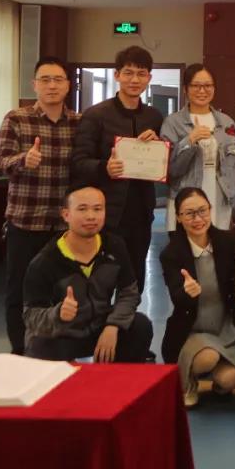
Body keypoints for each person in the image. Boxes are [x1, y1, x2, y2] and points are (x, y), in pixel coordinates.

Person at [0, 56, 81, 355]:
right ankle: (20, 352)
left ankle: (55, 350)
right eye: (45, 79)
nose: (52, 85)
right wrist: (24, 160)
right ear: (34, 84)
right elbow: (1, 161)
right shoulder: (16, 119)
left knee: (62, 291)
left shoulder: (78, 123)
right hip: (25, 222)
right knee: (19, 291)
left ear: (68, 85)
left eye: (58, 79)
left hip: (63, 227)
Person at [70, 46, 164, 294]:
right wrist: (104, 168)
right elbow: (78, 162)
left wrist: (158, 148)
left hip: (142, 212)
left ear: (149, 78)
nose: (134, 80)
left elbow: (163, 162)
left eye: (141, 74)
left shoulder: (154, 117)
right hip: (106, 214)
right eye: (128, 73)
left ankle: (129, 319)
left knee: (135, 280)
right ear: (117, 75)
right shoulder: (96, 115)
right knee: (101, 282)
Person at [22, 186, 152, 362]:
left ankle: (118, 377)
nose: (91, 216)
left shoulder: (114, 246)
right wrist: (58, 314)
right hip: (61, 333)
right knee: (40, 345)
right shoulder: (45, 261)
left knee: (140, 326)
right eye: (82, 209)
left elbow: (129, 293)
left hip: (99, 327)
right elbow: (31, 316)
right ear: (66, 214)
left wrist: (113, 325)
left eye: (97, 209)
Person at [160, 187, 235, 407]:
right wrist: (186, 293)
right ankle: (186, 382)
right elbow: (177, 298)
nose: (197, 219)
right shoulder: (171, 254)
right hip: (192, 331)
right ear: (178, 217)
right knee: (207, 357)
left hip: (225, 329)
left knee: (230, 379)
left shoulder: (228, 243)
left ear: (210, 209)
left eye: (202, 211)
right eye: (189, 214)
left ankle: (217, 383)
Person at [162, 64, 235, 231]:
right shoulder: (173, 122)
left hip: (220, 194)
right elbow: (171, 170)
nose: (202, 90)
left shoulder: (226, 122)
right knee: (187, 243)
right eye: (196, 85)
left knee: (217, 241)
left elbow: (232, 165)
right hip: (185, 195)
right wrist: (189, 140)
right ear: (185, 89)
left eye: (208, 85)